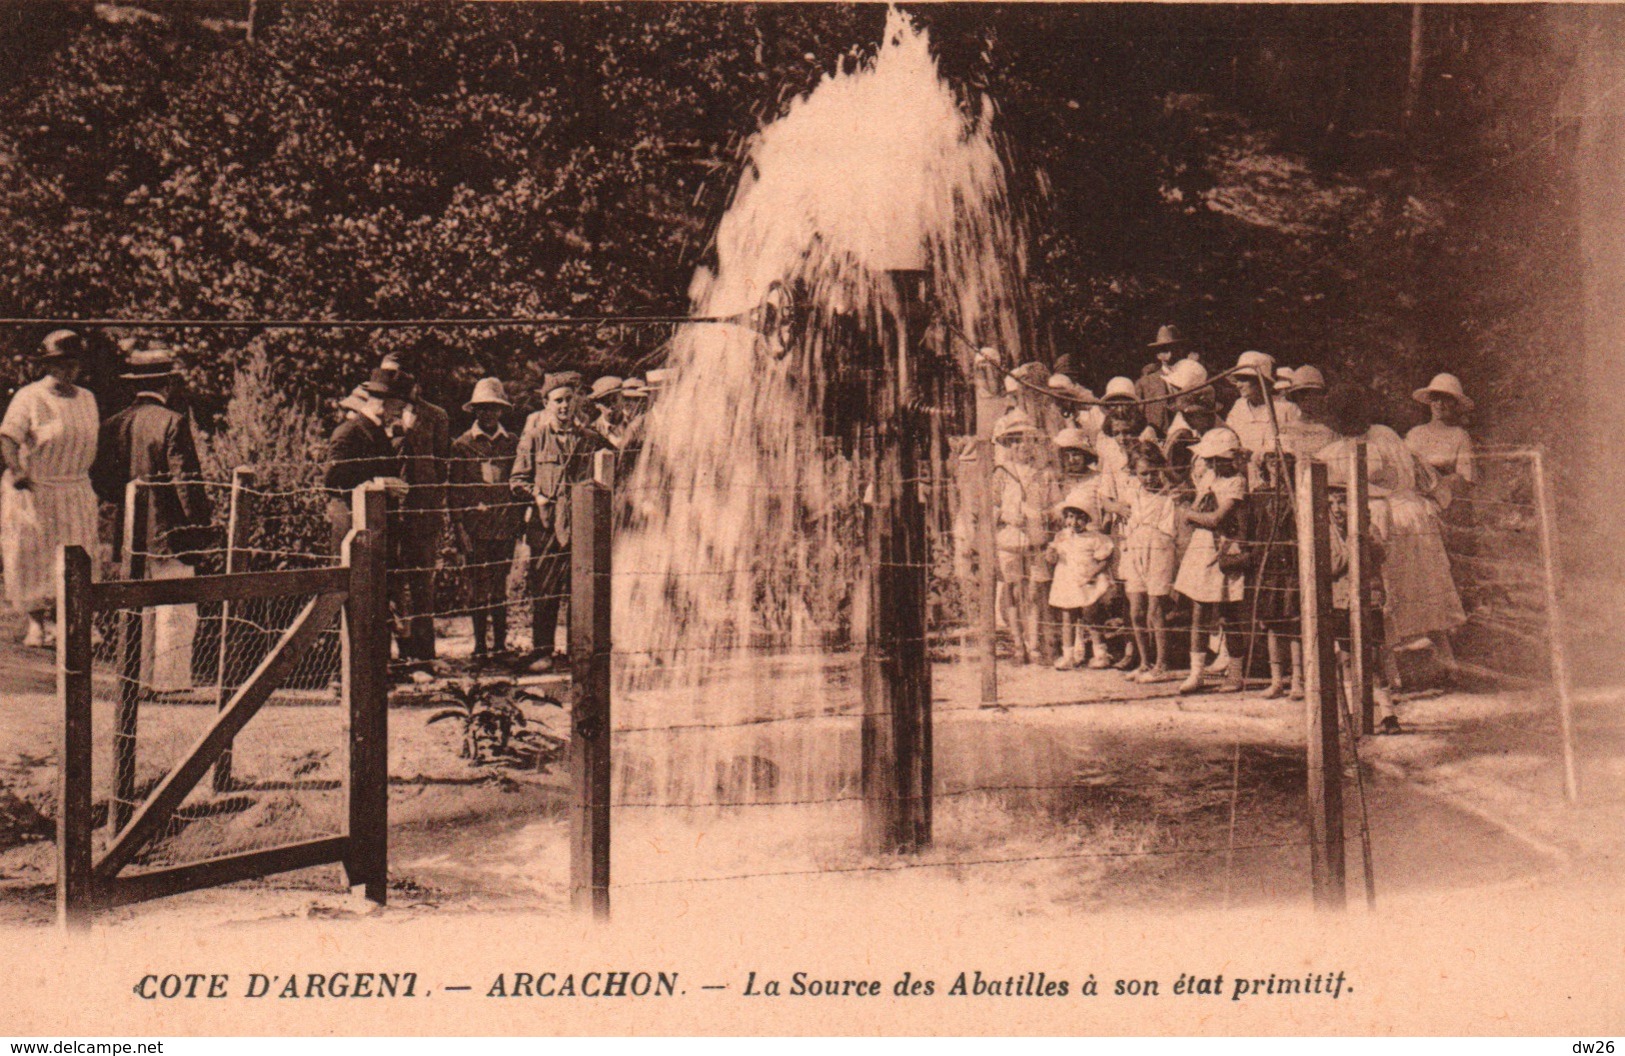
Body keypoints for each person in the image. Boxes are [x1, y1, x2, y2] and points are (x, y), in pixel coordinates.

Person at [1319, 385, 1465, 717]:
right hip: (1404, 515)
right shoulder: (1357, 444)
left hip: (1392, 517)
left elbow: (1399, 476)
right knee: (1405, 591)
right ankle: (1414, 668)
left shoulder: (1372, 441)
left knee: (1400, 590)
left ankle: (1420, 667)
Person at [91, 348, 214, 690]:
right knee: (175, 606)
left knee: (137, 607)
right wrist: (199, 529)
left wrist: (126, 501)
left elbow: (100, 480)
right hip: (169, 531)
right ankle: (169, 681)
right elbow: (186, 482)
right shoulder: (173, 422)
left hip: (131, 530)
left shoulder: (114, 424)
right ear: (168, 384)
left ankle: (135, 678)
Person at [0, 330, 100, 648]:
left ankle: (68, 621)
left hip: (75, 488)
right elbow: (9, 438)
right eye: (60, 364)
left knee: (78, 552)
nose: (68, 370)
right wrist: (17, 471)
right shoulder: (30, 397)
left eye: (73, 364)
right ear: (48, 365)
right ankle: (36, 625)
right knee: (33, 555)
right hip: (36, 488)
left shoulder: (87, 398)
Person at [510, 371, 612, 667]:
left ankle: (578, 651)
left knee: (582, 588)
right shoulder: (534, 438)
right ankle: (543, 651)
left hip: (583, 524)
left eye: (569, 399)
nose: (564, 406)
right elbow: (516, 479)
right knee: (545, 589)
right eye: (558, 401)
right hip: (546, 525)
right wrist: (537, 495)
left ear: (577, 401)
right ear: (546, 404)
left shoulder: (590, 439)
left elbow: (618, 459)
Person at [379, 353, 451, 664]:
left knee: (422, 586)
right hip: (388, 513)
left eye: (399, 377)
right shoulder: (381, 414)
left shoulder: (436, 416)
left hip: (423, 513)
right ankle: (393, 655)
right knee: (389, 584)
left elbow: (442, 463)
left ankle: (423, 656)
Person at [450, 378, 524, 660]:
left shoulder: (512, 443)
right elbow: (454, 491)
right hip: (476, 529)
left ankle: (501, 644)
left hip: (505, 527)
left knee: (499, 586)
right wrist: (459, 527)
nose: (488, 414)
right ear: (474, 411)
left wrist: (519, 523)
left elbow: (519, 484)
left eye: (493, 408)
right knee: (478, 586)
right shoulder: (462, 446)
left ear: (501, 411)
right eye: (482, 409)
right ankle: (480, 645)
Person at [1174, 427, 1250, 694]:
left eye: (1212, 458)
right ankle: (1197, 673)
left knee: (1229, 613)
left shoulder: (1236, 482)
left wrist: (1190, 513)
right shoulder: (1208, 478)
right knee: (1199, 612)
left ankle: (1236, 674)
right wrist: (1195, 514)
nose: (1208, 463)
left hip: (1224, 549)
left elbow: (1216, 518)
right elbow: (1198, 514)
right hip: (1202, 548)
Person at [1103, 444, 1181, 683]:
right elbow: (1107, 500)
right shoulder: (1132, 493)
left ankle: (1162, 664)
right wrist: (1117, 508)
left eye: (1153, 471)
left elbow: (1170, 532)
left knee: (1155, 611)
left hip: (1159, 550)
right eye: (1143, 473)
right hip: (1134, 549)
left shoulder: (1170, 496)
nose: (1149, 478)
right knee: (1136, 611)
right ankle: (1145, 662)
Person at [323, 368, 410, 554]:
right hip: (352, 529)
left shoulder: (378, 432)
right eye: (399, 408)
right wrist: (379, 484)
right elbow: (332, 479)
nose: (400, 414)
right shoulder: (349, 432)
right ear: (383, 403)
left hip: (374, 529)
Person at [990, 409, 1046, 665]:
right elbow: (991, 508)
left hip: (1034, 539)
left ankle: (1034, 643)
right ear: (1008, 445)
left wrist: (1040, 516)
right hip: (1010, 539)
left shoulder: (1041, 473)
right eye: (1016, 440)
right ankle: (1017, 643)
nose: (1022, 445)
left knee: (1033, 592)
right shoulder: (1001, 473)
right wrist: (1009, 517)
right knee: (1012, 590)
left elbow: (1055, 504)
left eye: (1026, 439)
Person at [1249, 451, 1303, 699]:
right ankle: (1276, 680)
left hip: (1291, 566)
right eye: (1272, 464)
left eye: (1283, 465)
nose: (1278, 469)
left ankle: (1298, 679)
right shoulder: (1259, 495)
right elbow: (1253, 529)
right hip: (1268, 565)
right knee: (1271, 624)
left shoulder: (1298, 495)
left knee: (1293, 622)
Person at [1046, 502, 1115, 670]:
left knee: (1090, 616)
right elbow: (1052, 560)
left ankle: (1100, 654)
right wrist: (1050, 554)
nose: (1074, 522)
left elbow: (1105, 560)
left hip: (1086, 581)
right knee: (1067, 617)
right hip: (1066, 580)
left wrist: (1093, 574)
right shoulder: (1061, 536)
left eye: (1079, 518)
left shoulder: (1095, 538)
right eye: (1070, 517)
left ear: (1088, 520)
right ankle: (1068, 656)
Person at [1225, 350, 1301, 481]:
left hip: (1275, 482)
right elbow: (1227, 438)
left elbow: (1295, 450)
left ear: (1261, 382)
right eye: (1237, 380)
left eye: (1244, 379)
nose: (1238, 385)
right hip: (1242, 479)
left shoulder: (1286, 409)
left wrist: (1259, 455)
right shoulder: (1238, 407)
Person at [1405, 373, 1476, 512]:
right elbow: (1403, 467)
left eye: (1446, 400)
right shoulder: (1415, 434)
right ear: (1430, 402)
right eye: (1435, 399)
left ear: (1455, 404)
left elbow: (1466, 481)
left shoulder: (1459, 436)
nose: (1439, 404)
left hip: (1447, 504)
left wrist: (1441, 484)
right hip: (1414, 498)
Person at [1136, 324, 1185, 434]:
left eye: (1174, 349)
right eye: (1164, 349)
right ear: (1157, 354)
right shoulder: (1145, 383)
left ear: (1181, 351)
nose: (1170, 354)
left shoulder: (1191, 377)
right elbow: (1137, 417)